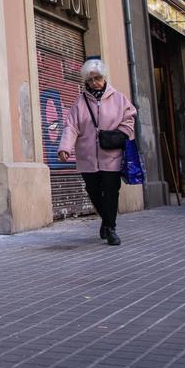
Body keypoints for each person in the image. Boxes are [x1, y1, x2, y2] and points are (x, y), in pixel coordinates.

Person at [58, 57, 137, 246]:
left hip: (111, 154)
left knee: (111, 191)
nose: (94, 82)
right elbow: (71, 126)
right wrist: (65, 148)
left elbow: (129, 118)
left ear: (104, 78)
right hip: (87, 156)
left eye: (97, 78)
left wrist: (122, 133)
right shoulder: (80, 102)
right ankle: (106, 219)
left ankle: (111, 228)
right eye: (90, 79)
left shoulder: (119, 98)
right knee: (93, 190)